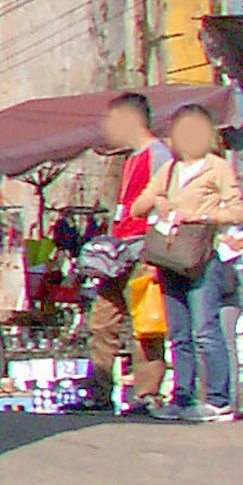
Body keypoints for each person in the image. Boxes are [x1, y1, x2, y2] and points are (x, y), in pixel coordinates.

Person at [147, 106, 243, 423]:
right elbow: (143, 202)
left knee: (205, 330)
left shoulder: (217, 168)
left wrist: (203, 217)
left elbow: (237, 212)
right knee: (179, 333)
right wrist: (160, 203)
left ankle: (218, 400)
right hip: (171, 256)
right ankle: (182, 398)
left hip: (203, 257)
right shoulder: (171, 168)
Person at [84, 91, 165, 413]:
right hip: (118, 252)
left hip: (144, 248)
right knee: (102, 321)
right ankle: (99, 392)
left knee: (145, 323)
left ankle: (148, 394)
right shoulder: (129, 158)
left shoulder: (158, 154)